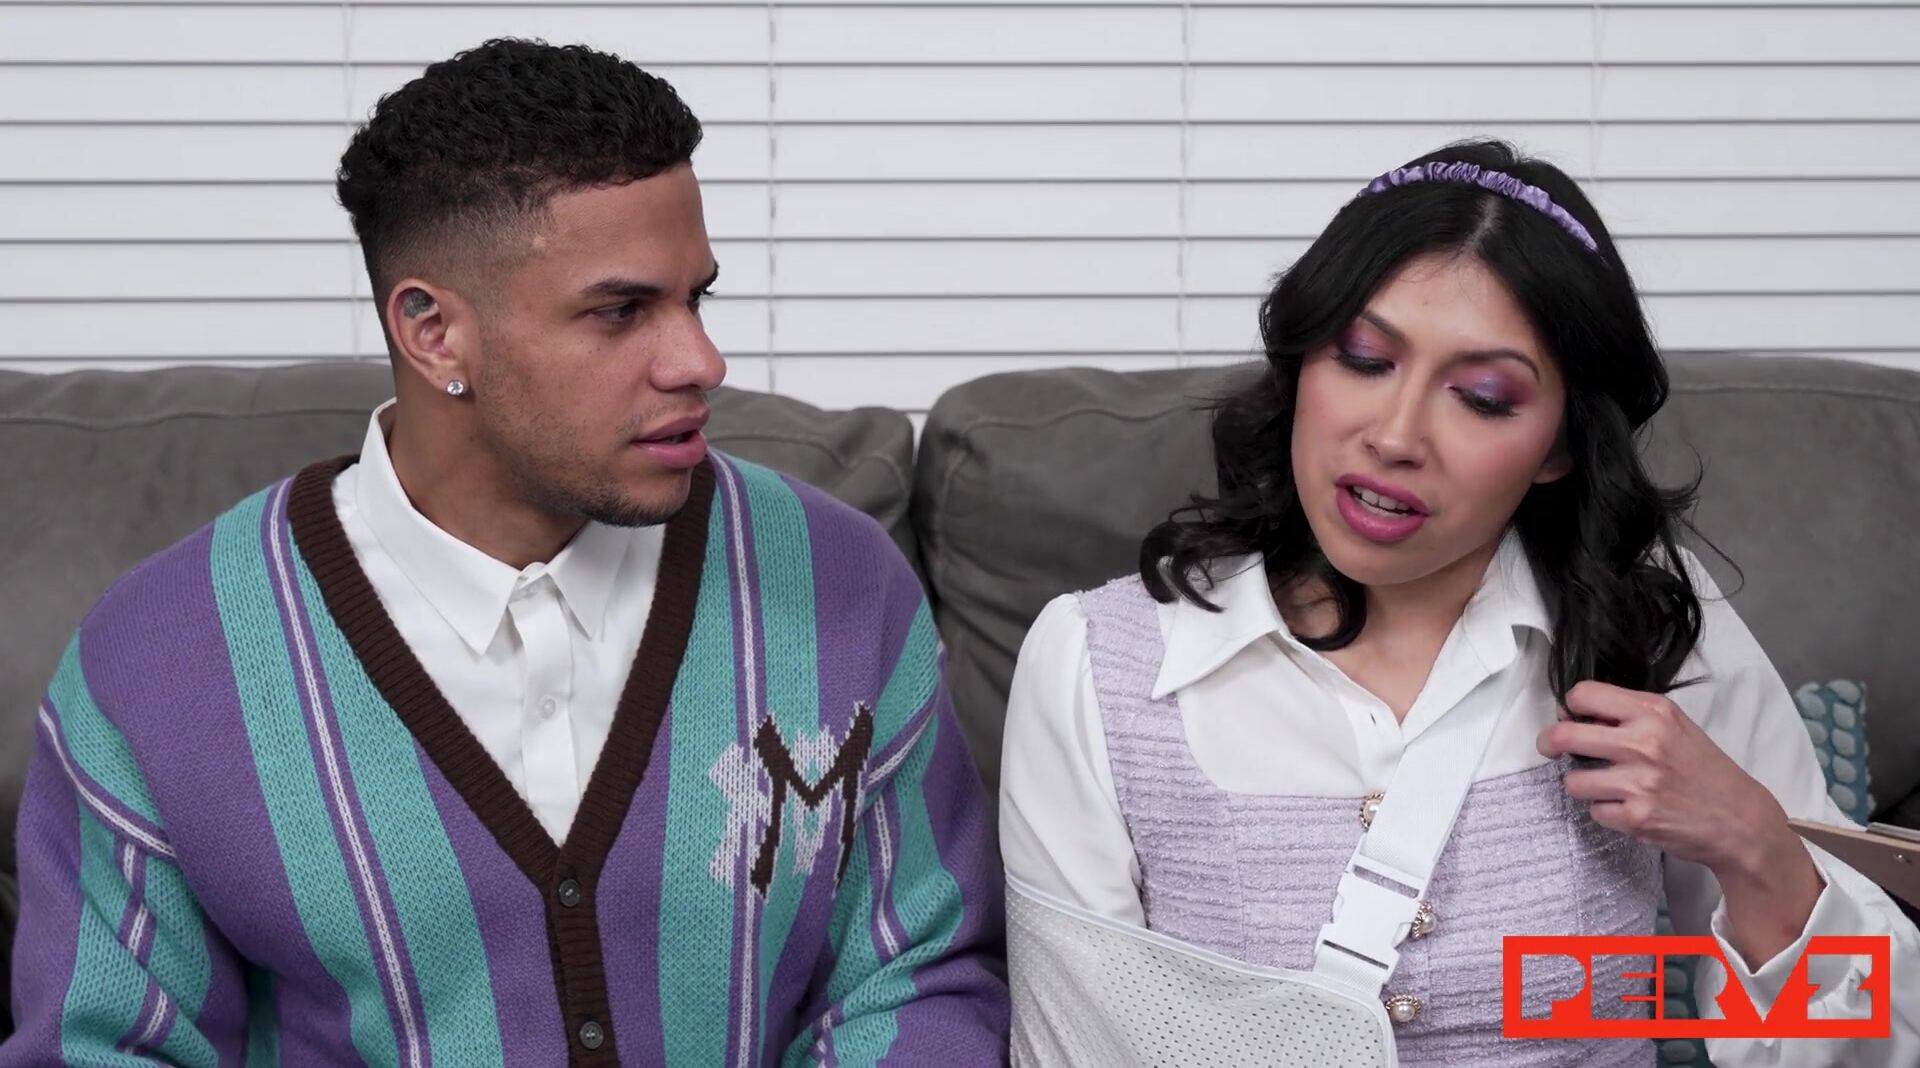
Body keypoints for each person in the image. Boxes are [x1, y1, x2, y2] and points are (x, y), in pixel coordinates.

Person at [4, 38, 1007, 1066]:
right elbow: (103, 1046)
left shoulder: (841, 587)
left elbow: (917, 976)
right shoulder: (157, 663)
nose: (700, 360)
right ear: (433, 332)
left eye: (696, 298)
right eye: (620, 311)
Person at [1000, 139, 1919, 1065]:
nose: (1395, 435)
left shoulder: (1652, 631)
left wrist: (1754, 845)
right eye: (1364, 358)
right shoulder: (1093, 668)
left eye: (1481, 397)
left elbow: (1868, 1049)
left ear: (1560, 446)